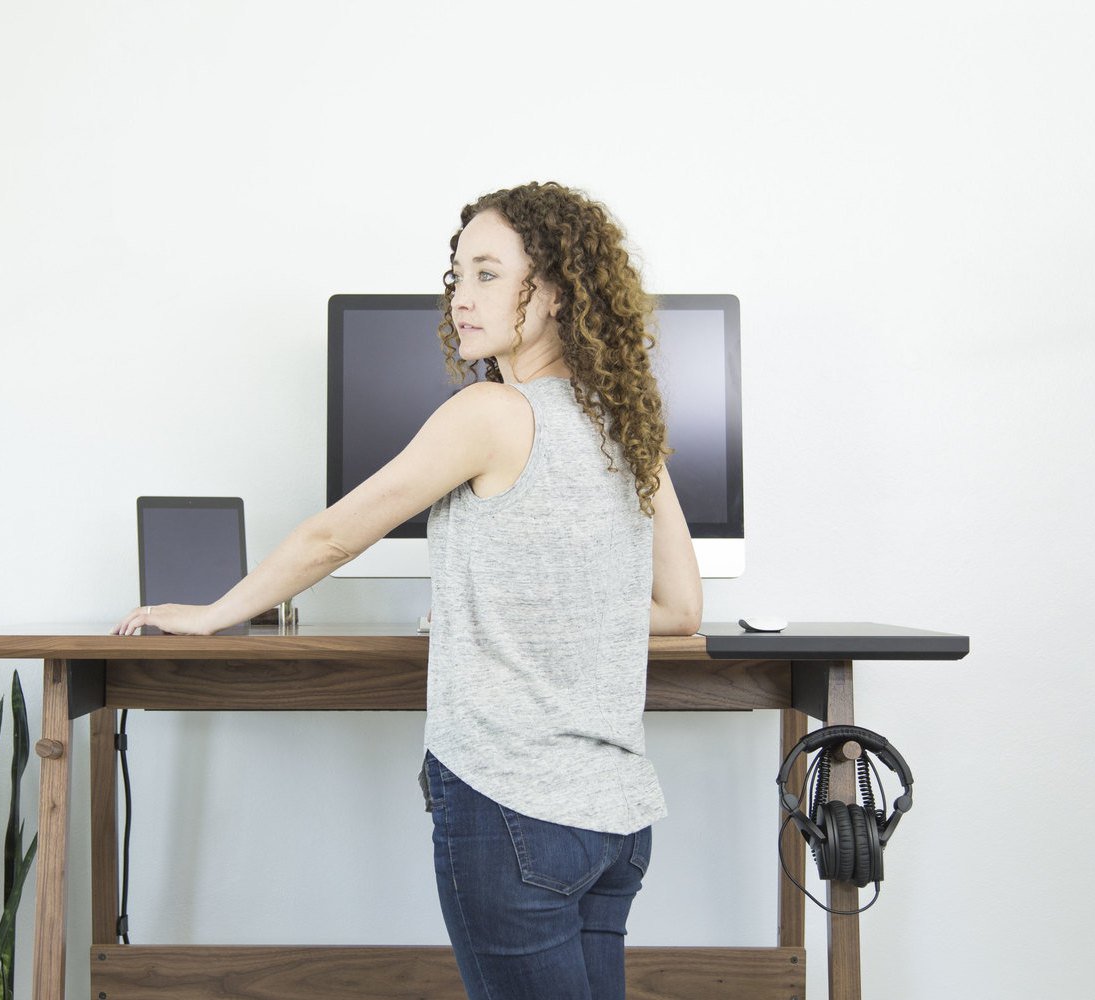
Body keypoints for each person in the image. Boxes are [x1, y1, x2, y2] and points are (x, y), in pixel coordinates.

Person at [114, 181, 703, 1000]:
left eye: (489, 275)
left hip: (512, 807)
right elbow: (679, 612)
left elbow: (334, 534)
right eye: (457, 275)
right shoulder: (625, 425)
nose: (462, 299)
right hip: (615, 822)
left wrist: (214, 614)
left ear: (558, 290)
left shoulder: (491, 413)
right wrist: (518, 615)